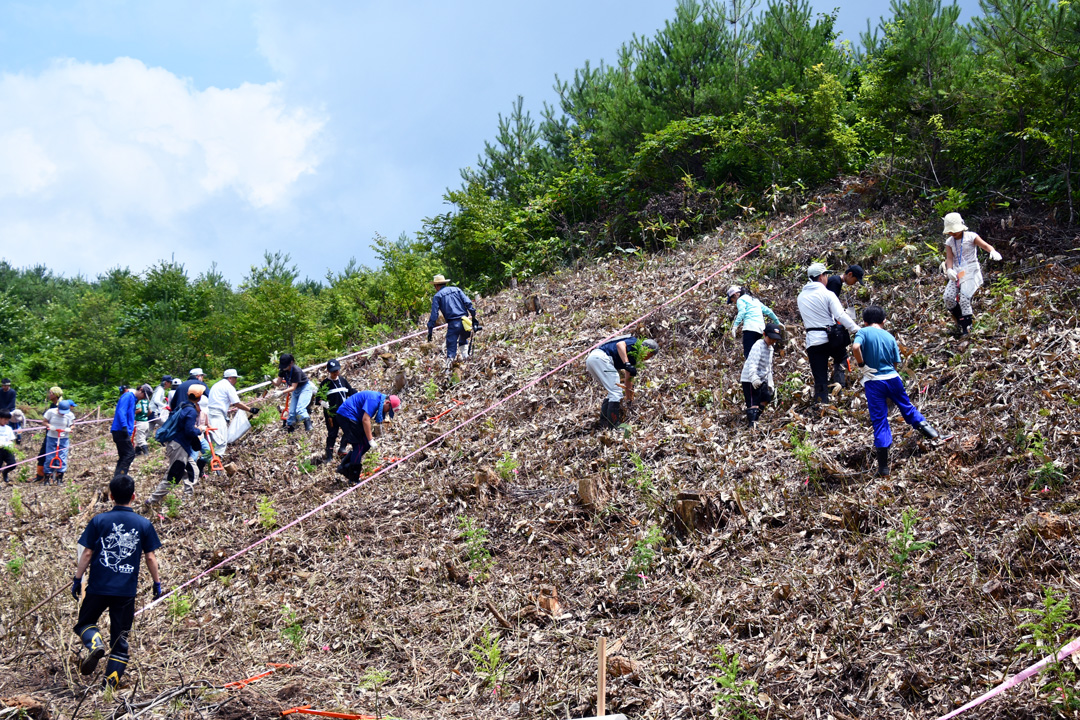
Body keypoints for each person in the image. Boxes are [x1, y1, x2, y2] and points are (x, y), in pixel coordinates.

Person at [72, 474, 162, 689]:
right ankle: (108, 689)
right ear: (134, 496)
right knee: (120, 643)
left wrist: (77, 579)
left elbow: (86, 554)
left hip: (98, 587)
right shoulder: (143, 524)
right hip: (125, 591)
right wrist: (157, 583)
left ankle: (94, 642)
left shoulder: (99, 521)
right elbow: (150, 557)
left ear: (110, 496)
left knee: (85, 623)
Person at [852, 306, 941, 476]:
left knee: (880, 420)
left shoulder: (863, 332)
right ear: (883, 321)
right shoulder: (890, 336)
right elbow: (895, 364)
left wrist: (862, 366)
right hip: (893, 379)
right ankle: (934, 436)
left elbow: (856, 348)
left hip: (874, 381)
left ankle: (884, 468)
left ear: (864, 321)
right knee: (907, 408)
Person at [798, 263, 860, 404]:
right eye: (826, 275)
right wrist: (856, 329)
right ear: (821, 276)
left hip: (813, 340)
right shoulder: (827, 294)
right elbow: (840, 315)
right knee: (841, 359)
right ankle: (840, 391)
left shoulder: (801, 296)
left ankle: (821, 404)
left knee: (819, 377)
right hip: (831, 338)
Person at [941, 212, 1003, 335]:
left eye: (954, 231)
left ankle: (967, 327)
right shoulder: (949, 242)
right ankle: (960, 320)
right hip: (958, 272)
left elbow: (985, 245)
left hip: (971, 269)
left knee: (964, 297)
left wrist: (992, 251)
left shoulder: (971, 236)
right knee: (948, 297)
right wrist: (949, 270)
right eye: (950, 231)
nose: (953, 233)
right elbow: (950, 258)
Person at [145, 385, 204, 504]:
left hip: (180, 446)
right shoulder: (191, 411)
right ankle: (152, 501)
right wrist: (199, 430)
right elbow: (189, 431)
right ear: (199, 398)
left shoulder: (183, 406)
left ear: (188, 395)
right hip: (179, 447)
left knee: (193, 471)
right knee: (173, 476)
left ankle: (187, 499)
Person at [585, 335, 659, 428]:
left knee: (613, 391)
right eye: (650, 355)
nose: (647, 358)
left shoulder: (634, 358)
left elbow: (628, 379)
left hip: (593, 360)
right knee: (616, 391)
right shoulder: (635, 343)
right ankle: (614, 425)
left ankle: (604, 423)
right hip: (601, 358)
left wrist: (629, 399)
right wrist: (626, 363)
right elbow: (620, 344)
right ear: (647, 349)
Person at [333, 391, 400, 482]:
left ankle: (345, 466)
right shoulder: (374, 400)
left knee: (366, 444)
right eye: (389, 410)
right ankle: (353, 478)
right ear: (387, 403)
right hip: (347, 415)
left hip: (353, 417)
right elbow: (365, 420)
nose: (387, 412)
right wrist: (370, 439)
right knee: (359, 446)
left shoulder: (378, 399)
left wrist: (369, 441)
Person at [427, 274, 480, 370]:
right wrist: (474, 318)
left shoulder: (437, 296)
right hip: (465, 322)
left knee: (451, 348)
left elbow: (434, 315)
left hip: (453, 324)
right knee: (463, 340)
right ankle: (468, 365)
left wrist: (430, 330)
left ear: (436, 286)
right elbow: (468, 303)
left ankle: (448, 371)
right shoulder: (457, 290)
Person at [206, 369, 258, 456]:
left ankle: (207, 462)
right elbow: (236, 403)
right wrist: (250, 409)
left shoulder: (217, 385)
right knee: (221, 440)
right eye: (235, 378)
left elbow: (221, 401)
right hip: (217, 415)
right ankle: (216, 464)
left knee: (213, 440)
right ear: (230, 378)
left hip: (210, 414)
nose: (236, 381)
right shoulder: (228, 387)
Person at [739, 323, 782, 427]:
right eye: (771, 338)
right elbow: (752, 362)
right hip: (749, 379)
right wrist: (753, 378)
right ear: (764, 334)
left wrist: (769, 382)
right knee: (753, 404)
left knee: (765, 399)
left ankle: (755, 419)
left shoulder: (770, 348)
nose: (772, 341)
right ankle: (752, 426)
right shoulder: (758, 345)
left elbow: (768, 366)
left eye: (775, 339)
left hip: (762, 379)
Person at [727, 286, 782, 359]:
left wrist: (734, 327)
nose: (734, 302)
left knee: (749, 355)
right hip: (760, 331)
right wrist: (777, 322)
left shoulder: (740, 300)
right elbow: (768, 311)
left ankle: (750, 370)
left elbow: (742, 312)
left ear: (735, 295)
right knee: (757, 353)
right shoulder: (755, 300)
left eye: (732, 300)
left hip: (750, 328)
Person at [318, 359, 356, 462]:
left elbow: (351, 392)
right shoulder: (325, 384)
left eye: (337, 371)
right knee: (332, 434)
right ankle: (329, 456)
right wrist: (323, 403)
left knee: (350, 429)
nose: (335, 373)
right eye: (333, 371)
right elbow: (318, 398)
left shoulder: (343, 381)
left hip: (344, 413)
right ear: (328, 371)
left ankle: (342, 448)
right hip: (331, 415)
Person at [111, 385, 150, 478]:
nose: (143, 398)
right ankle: (121, 477)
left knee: (124, 455)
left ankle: (118, 477)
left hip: (123, 430)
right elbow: (121, 411)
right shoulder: (128, 396)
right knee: (130, 454)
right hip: (120, 430)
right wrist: (124, 426)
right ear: (141, 390)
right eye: (144, 396)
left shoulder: (133, 399)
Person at [276, 354, 315, 432]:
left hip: (305, 388)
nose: (284, 368)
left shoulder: (296, 370)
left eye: (285, 365)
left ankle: (309, 427)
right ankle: (290, 428)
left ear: (291, 363)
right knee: (292, 412)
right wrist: (270, 380)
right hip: (296, 390)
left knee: (300, 409)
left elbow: (293, 387)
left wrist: (281, 392)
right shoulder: (283, 370)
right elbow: (277, 383)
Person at [43, 399, 77, 485]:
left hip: (63, 438)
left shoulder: (69, 415)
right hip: (52, 437)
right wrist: (50, 426)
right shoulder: (51, 412)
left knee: (62, 457)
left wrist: (69, 429)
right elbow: (44, 422)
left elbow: (72, 425)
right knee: (50, 456)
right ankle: (47, 477)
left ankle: (60, 478)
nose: (62, 414)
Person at [36, 387, 63, 481]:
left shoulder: (61, 406)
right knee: (43, 453)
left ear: (55, 395)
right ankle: (40, 475)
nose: (49, 395)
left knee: (56, 454)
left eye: (51, 393)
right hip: (49, 433)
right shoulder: (52, 405)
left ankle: (54, 475)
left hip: (58, 435)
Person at [133, 391, 151, 457]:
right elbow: (150, 411)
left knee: (140, 439)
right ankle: (137, 452)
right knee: (140, 437)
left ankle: (146, 453)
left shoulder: (139, 401)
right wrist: (146, 415)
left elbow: (139, 410)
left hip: (140, 421)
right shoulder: (147, 401)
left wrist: (132, 413)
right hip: (146, 422)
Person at [0, 379, 18, 443]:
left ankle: (17, 438)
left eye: (5, 386)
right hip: (1, 411)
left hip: (9, 410)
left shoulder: (12, 392)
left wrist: (6, 411)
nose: (4, 387)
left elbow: (12, 403)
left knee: (9, 424)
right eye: (3, 386)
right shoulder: (0, 391)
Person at [0, 411, 16, 484]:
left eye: (7, 420)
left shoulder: (8, 428)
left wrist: (11, 444)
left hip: (7, 449)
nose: (6, 421)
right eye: (5, 419)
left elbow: (11, 439)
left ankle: (5, 472)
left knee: (12, 464)